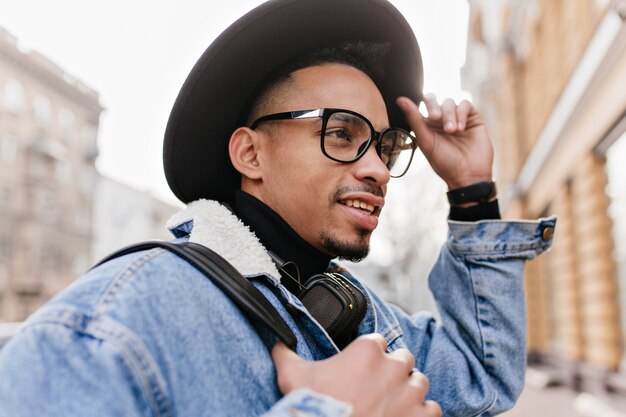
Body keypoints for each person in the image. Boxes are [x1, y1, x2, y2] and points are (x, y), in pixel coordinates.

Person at [0, 1, 556, 416]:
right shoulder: (119, 318)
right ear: (250, 153)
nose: (379, 169)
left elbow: (483, 375)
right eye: (342, 133)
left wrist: (472, 191)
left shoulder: (361, 318)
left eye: (386, 147)